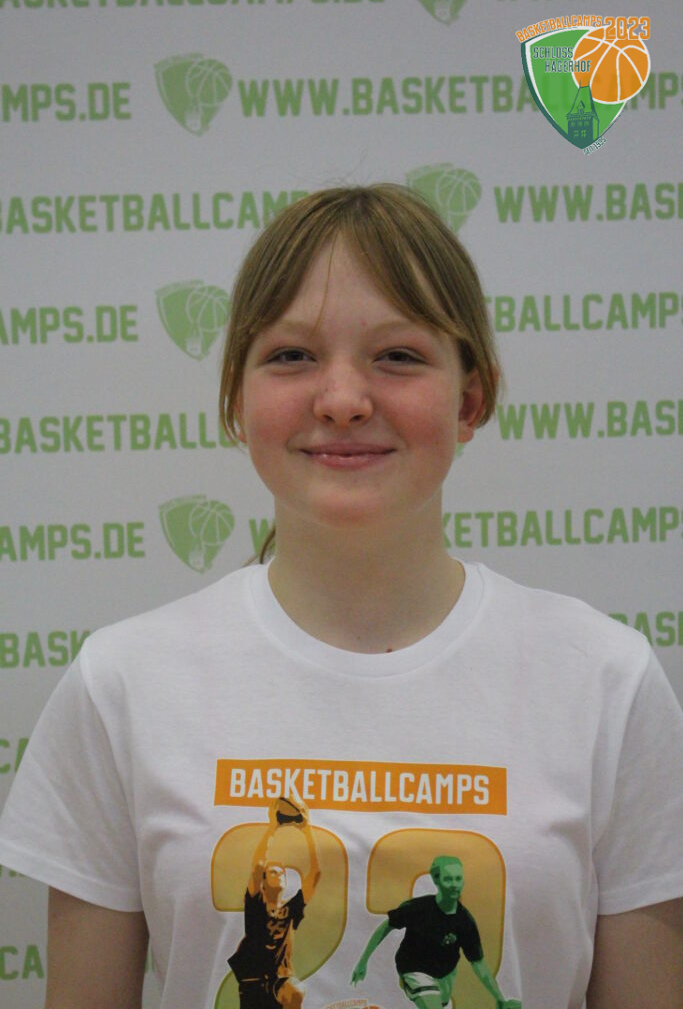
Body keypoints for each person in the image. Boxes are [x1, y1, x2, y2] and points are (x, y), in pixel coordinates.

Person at [0, 185, 681, 1009]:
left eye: (398, 356)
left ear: (470, 399)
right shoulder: (122, 683)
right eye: (292, 356)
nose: (343, 400)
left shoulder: (605, 682)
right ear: (235, 400)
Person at [351, 855, 520, 1009]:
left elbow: (478, 964)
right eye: (448, 879)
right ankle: (411, 984)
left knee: (440, 1002)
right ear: (436, 880)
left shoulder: (465, 921)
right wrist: (363, 961)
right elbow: (386, 927)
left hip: (444, 974)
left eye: (458, 879)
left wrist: (500, 999)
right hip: (413, 967)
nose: (454, 884)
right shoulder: (418, 908)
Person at [228, 801, 320, 1009]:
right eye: (273, 871)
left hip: (281, 978)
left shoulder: (291, 910)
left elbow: (315, 875)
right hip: (254, 979)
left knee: (295, 992)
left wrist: (307, 830)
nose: (279, 874)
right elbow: (258, 866)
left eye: (282, 872)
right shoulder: (256, 904)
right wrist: (272, 827)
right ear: (264, 882)